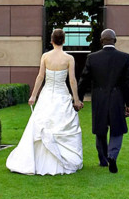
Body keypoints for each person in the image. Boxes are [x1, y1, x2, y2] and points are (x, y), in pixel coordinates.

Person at [6, 29, 84, 175]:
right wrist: (76, 99)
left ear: (51, 40)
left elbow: (40, 77)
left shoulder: (45, 56)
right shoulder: (69, 58)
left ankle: (40, 160)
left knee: (43, 124)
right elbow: (72, 80)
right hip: (61, 95)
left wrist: (33, 96)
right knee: (59, 125)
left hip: (47, 96)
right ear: (64, 40)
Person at [77, 29, 129, 173]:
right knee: (117, 129)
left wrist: (78, 98)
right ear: (115, 40)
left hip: (99, 99)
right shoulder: (124, 57)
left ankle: (103, 160)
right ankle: (112, 155)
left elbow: (84, 79)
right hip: (117, 98)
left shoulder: (92, 58)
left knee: (100, 129)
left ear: (101, 41)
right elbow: (127, 82)